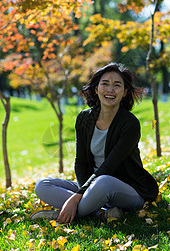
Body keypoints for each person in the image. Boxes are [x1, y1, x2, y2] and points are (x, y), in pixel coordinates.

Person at [31, 63, 158, 223]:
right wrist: (84, 192)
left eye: (117, 85)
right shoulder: (85, 118)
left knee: (103, 181)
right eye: (105, 84)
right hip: (92, 186)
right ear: (96, 88)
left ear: (125, 92)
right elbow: (81, 162)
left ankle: (65, 214)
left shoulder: (130, 124)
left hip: (125, 189)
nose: (110, 90)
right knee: (43, 185)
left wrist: (77, 197)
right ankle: (100, 212)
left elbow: (109, 167)